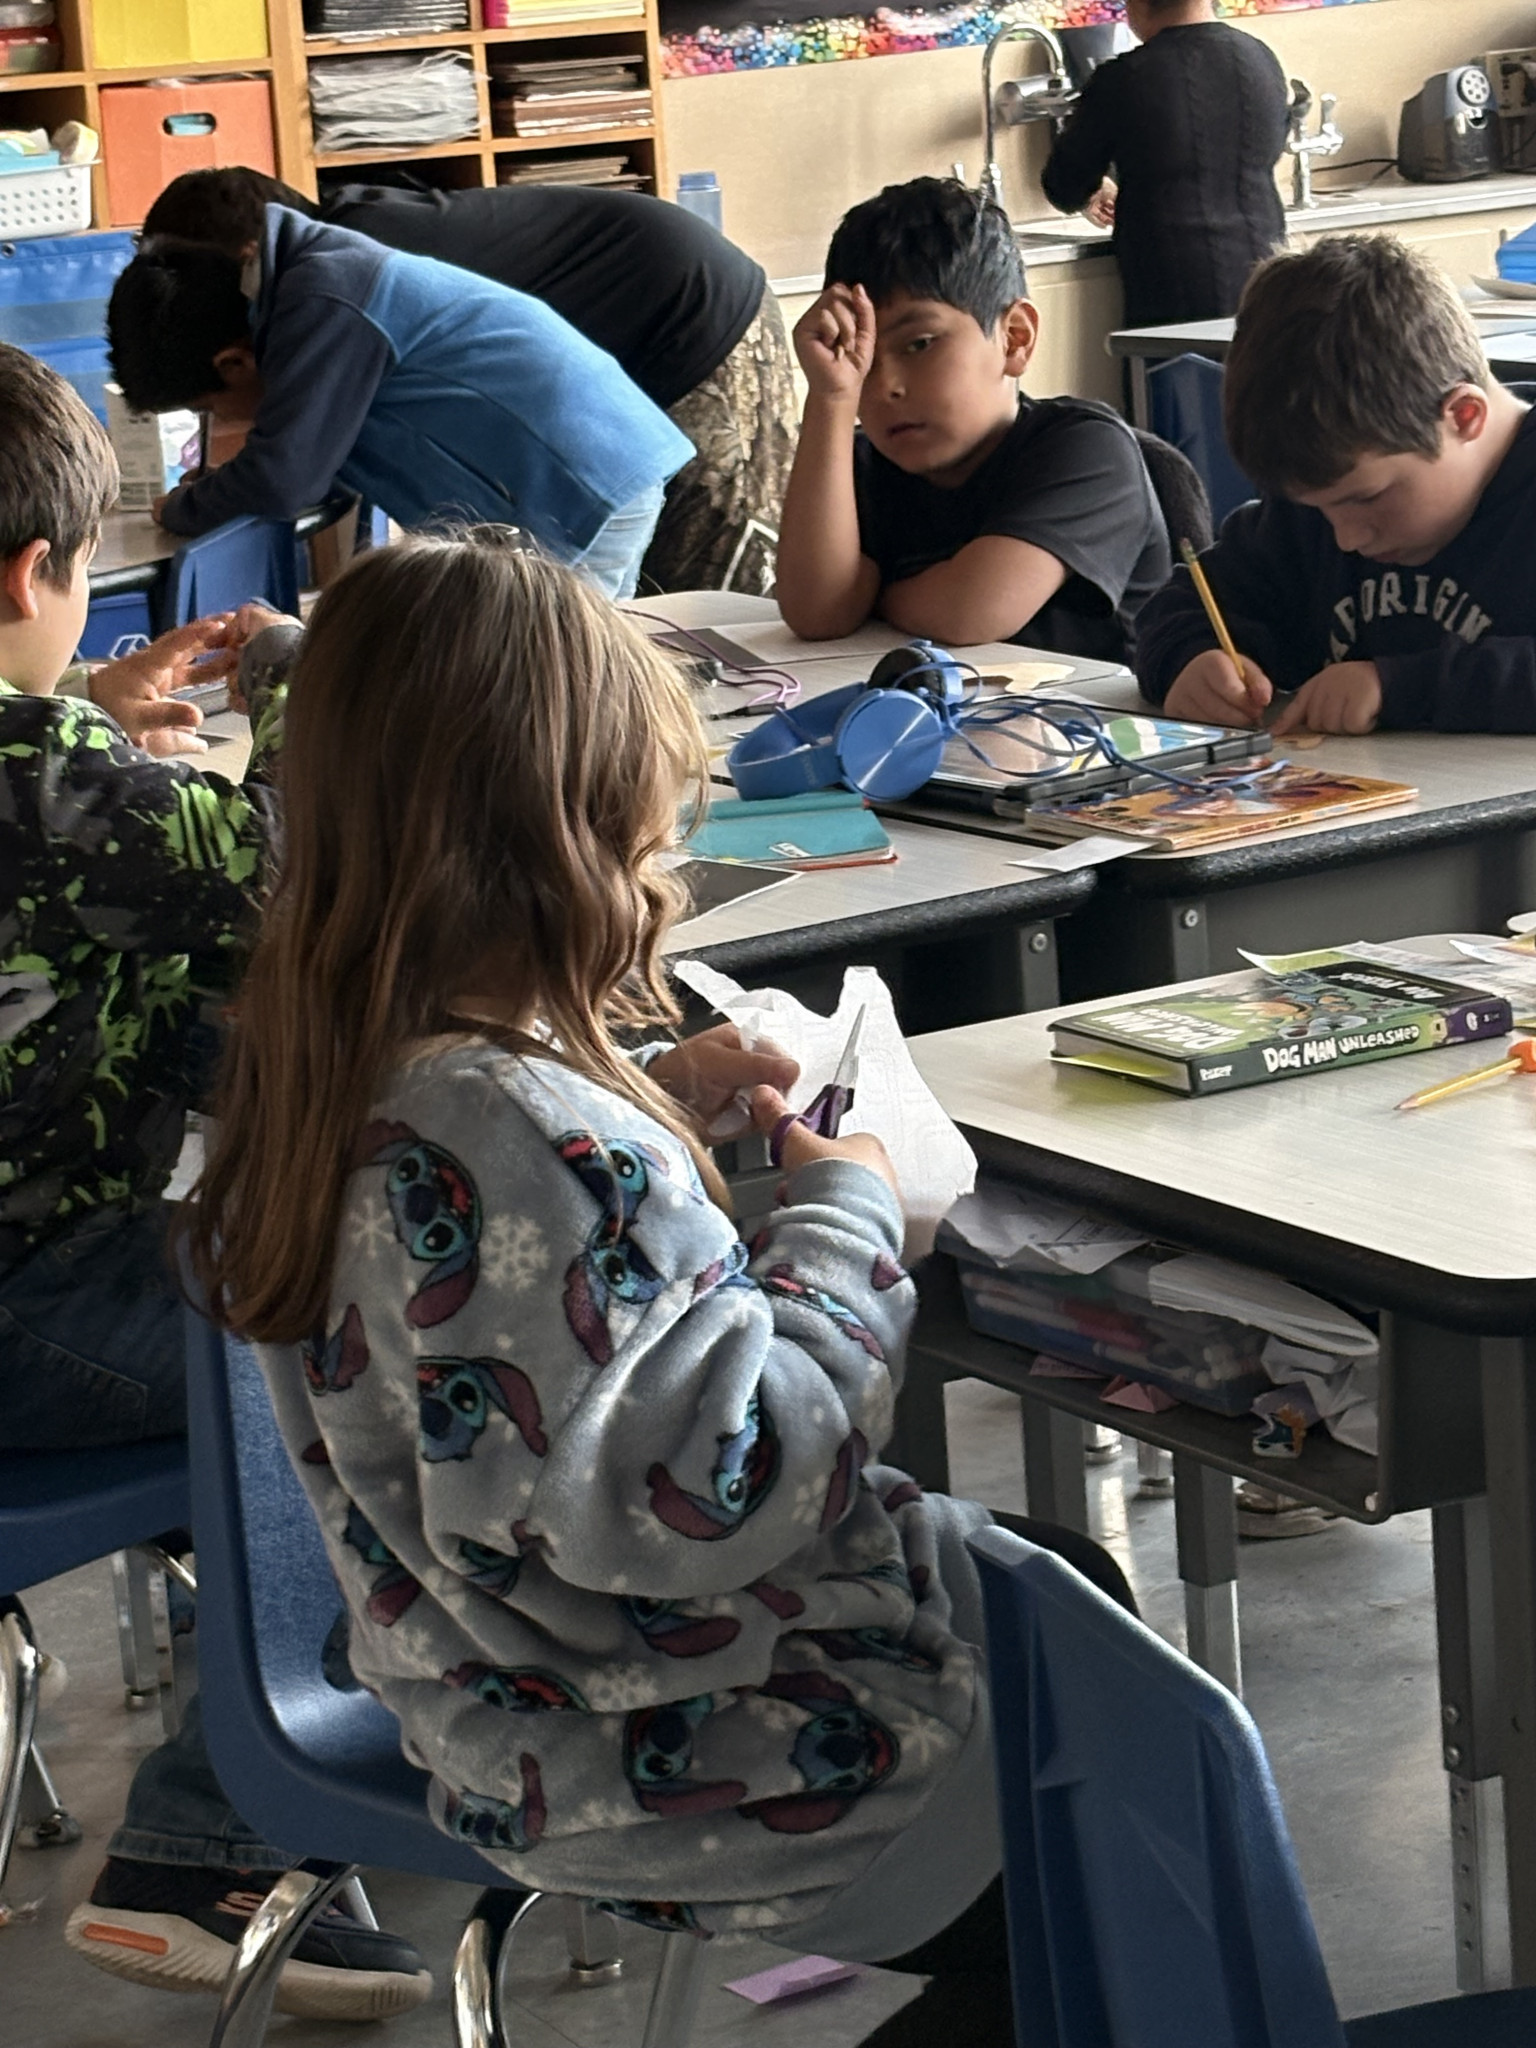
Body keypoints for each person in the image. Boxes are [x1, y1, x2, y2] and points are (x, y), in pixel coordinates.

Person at [185, 530, 1138, 2048]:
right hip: (709, 1760)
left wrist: (651, 1106)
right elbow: (736, 1488)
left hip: (509, 1717)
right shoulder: (544, 1144)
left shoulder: (343, 1081)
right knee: (1133, 1856)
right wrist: (845, 1214)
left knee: (1066, 1603)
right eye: (644, 844)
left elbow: (515, 1298)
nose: (662, 881)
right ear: (549, 844)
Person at [0, 341, 432, 2017]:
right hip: (28, 1308)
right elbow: (307, 869)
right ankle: (210, 1834)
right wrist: (305, 679)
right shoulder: (55, 788)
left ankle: (286, 1756)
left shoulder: (51, 774)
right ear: (40, 572)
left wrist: (78, 723)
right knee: (375, 1344)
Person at [140, 167, 798, 596]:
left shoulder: (330, 292)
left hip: (690, 324)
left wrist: (191, 504)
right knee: (607, 651)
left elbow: (291, 468)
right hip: (595, 441)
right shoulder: (327, 268)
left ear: (239, 258)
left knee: (701, 596)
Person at [1135, 235, 1536, 736]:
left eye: (1367, 498)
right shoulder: (1311, 512)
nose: (1346, 537)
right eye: (1318, 507)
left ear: (1463, 416)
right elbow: (1180, 608)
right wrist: (1191, 658)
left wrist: (1400, 687)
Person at [775, 176, 1170, 659]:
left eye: (920, 344)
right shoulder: (860, 463)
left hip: (1090, 707)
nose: (884, 385)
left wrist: (870, 600)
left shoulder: (1087, 449)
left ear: (1015, 338)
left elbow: (970, 612)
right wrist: (831, 398)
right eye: (865, 357)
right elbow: (816, 614)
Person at [1041, 0, 1289, 332]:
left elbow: (1064, 185)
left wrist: (1097, 188)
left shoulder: (1125, 78)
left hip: (1172, 289)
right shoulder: (1260, 59)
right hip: (1267, 278)